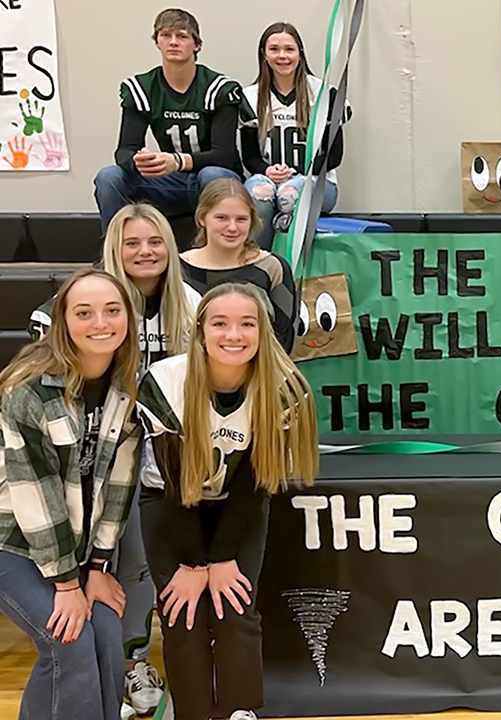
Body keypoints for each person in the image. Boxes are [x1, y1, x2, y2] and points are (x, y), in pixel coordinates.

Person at [28, 204, 201, 719]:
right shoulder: (84, 301)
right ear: (113, 250)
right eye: (132, 242)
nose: (145, 251)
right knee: (101, 571)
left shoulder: (189, 303)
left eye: (155, 241)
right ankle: (109, 672)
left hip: (157, 456)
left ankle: (134, 666)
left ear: (170, 247)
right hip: (87, 460)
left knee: (140, 564)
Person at [136, 283, 319, 720]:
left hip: (239, 505)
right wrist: (194, 564)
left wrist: (220, 558)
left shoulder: (283, 388)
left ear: (264, 332)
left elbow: (255, 483)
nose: (233, 334)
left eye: (247, 323)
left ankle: (240, 711)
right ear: (200, 332)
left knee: (235, 603)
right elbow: (172, 484)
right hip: (170, 505)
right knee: (183, 610)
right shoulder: (165, 383)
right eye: (220, 323)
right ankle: (193, 712)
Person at [0, 269, 143, 720]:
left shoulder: (128, 389)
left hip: (72, 548)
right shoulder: (28, 392)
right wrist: (67, 583)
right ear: (63, 322)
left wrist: (97, 568)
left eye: (112, 310)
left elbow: (118, 489)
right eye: (84, 313)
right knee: (68, 639)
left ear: (128, 320)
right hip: (13, 541)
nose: (100, 322)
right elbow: (35, 494)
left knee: (104, 630)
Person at [93, 8, 243, 235]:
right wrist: (141, 161)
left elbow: (225, 155)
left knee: (212, 175)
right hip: (169, 182)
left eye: (182, 36)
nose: (173, 42)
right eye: (166, 35)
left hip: (212, 181)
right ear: (156, 42)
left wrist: (178, 161)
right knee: (109, 177)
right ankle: (115, 257)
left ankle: (218, 260)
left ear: (197, 44)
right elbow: (124, 150)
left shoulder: (219, 88)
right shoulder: (142, 88)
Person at [240, 22, 352, 250]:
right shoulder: (250, 97)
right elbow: (249, 155)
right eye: (274, 49)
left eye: (289, 49)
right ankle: (263, 263)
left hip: (318, 181)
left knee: (289, 194)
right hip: (268, 178)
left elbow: (334, 155)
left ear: (300, 54)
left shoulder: (324, 94)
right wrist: (267, 171)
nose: (282, 56)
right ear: (264, 55)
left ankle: (292, 266)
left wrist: (296, 173)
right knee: (259, 193)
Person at [180, 179, 298, 352]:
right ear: (202, 218)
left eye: (241, 219)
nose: (232, 227)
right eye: (222, 218)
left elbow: (283, 335)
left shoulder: (272, 267)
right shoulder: (177, 268)